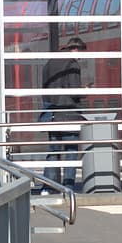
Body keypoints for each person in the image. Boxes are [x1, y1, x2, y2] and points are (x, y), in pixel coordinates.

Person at [42, 37, 86, 186]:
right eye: (81, 53)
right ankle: (68, 185)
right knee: (71, 150)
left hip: (51, 112)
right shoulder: (72, 64)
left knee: (54, 150)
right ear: (76, 49)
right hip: (68, 113)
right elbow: (74, 91)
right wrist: (85, 91)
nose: (81, 57)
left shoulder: (51, 61)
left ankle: (48, 185)